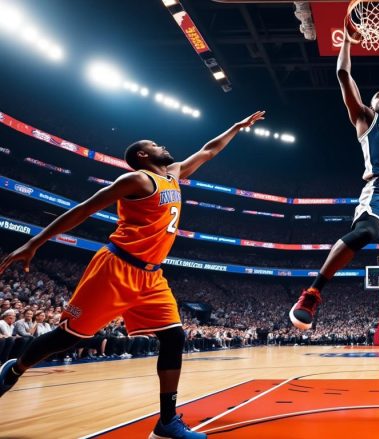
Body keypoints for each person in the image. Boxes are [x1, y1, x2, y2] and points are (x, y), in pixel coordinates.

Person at [0, 111, 265, 439]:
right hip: (116, 268)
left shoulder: (174, 173)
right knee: (70, 337)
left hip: (151, 276)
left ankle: (166, 421)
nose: (161, 145)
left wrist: (237, 127)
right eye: (154, 144)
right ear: (142, 156)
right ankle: (15, 368)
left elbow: (209, 150)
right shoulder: (138, 180)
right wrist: (34, 242)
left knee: (174, 337)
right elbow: (84, 209)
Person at [288, 27, 379, 377]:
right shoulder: (365, 120)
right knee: (367, 230)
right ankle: (312, 293)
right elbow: (343, 74)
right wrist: (347, 41)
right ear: (369, 105)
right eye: (378, 94)